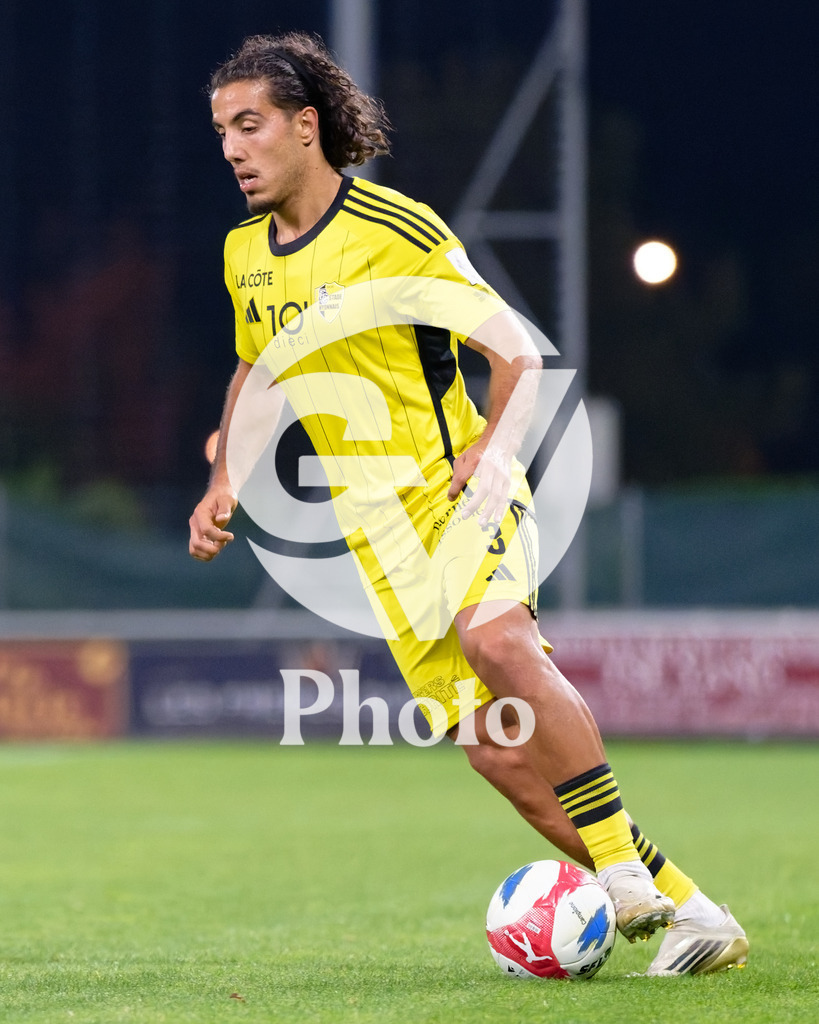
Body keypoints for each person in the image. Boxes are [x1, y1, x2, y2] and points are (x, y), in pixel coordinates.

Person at [188, 31, 748, 977]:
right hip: (379, 544)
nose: (234, 149)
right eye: (221, 132)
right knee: (500, 757)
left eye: (251, 126)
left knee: (498, 644)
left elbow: (515, 351)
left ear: (306, 126)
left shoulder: (394, 230)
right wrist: (225, 477)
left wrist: (494, 448)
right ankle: (695, 914)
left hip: (458, 491)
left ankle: (616, 870)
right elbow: (257, 364)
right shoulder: (247, 253)